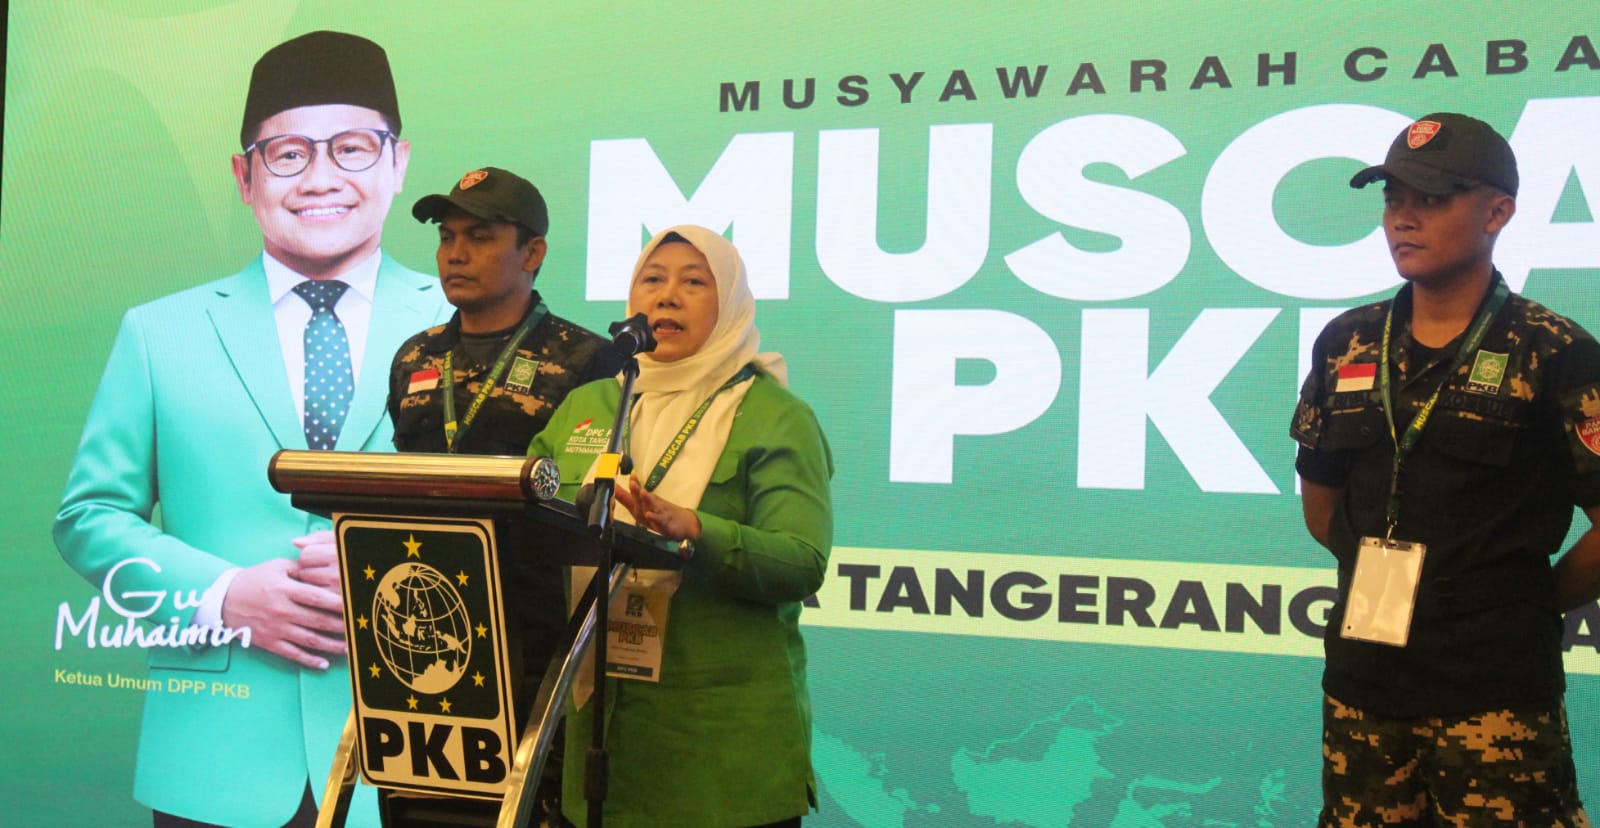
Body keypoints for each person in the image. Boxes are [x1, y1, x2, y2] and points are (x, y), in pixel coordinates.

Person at [54, 31, 448, 828]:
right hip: (214, 756)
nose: (322, 178)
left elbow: (533, 530)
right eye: (289, 154)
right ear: (244, 176)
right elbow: (89, 517)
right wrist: (223, 596)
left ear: (399, 162)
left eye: (351, 148)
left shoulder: (463, 327)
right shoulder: (160, 332)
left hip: (419, 752)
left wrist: (390, 575)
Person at [1291, 112, 1600, 826]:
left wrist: (1519, 602)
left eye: (1431, 199)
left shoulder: (1554, 352)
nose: (1404, 218)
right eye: (1394, 199)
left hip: (1495, 693)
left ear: (1498, 213)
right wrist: (1388, 585)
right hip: (1363, 684)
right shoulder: (1347, 341)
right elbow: (1321, 506)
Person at [527, 225, 832, 827]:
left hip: (721, 756)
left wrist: (695, 527)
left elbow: (801, 561)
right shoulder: (591, 406)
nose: (667, 295)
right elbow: (526, 513)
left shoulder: (775, 416)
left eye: (694, 282)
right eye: (653, 279)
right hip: (601, 748)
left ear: (730, 304)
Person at [383, 166, 621, 825]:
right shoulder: (415, 357)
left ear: (532, 252)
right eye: (447, 237)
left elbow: (586, 508)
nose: (455, 254)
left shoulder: (588, 361)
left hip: (533, 644)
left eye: (480, 237)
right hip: (418, 632)